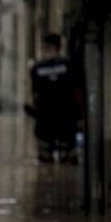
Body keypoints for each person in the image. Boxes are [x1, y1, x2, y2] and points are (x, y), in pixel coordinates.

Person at [30, 33, 78, 163]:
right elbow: (76, 90)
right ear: (59, 47)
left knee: (45, 160)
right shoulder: (68, 65)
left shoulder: (37, 68)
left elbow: (35, 95)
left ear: (45, 47)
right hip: (66, 119)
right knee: (68, 161)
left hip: (45, 120)